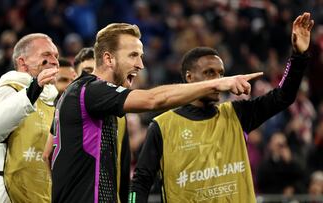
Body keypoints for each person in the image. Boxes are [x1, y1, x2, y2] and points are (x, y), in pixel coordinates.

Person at [51, 23, 263, 203]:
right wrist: (218, 84)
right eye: (133, 55)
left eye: (141, 56)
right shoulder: (90, 91)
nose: (140, 64)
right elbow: (154, 99)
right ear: (108, 59)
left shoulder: (91, 97)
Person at [129, 12, 314, 202]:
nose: (218, 80)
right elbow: (139, 183)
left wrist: (298, 56)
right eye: (209, 73)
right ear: (189, 77)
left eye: (221, 74)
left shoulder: (237, 114)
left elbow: (284, 96)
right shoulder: (162, 126)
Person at [0, 33, 59, 203]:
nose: (54, 61)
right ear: (22, 63)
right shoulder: (7, 91)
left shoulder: (52, 104)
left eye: (56, 56)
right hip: (1, 196)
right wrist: (32, 91)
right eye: (46, 55)